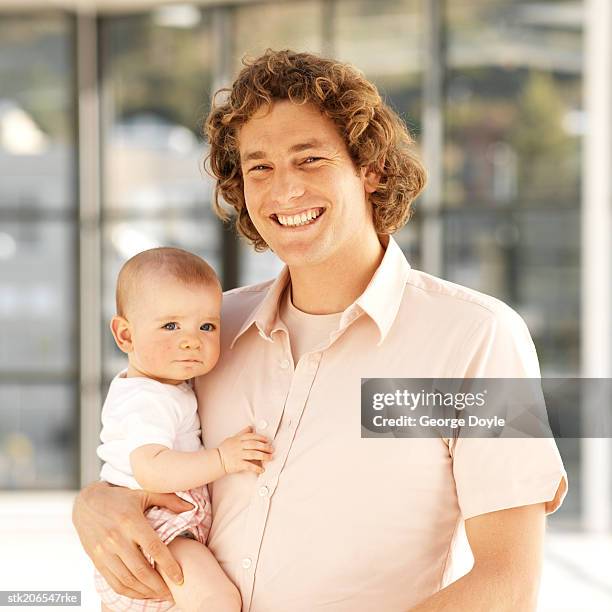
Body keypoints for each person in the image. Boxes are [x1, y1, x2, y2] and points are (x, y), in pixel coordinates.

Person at [73, 50, 568, 611]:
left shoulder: (476, 338)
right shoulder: (210, 334)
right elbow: (137, 449)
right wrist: (93, 502)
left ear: (370, 169)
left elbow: (507, 583)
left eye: (308, 160)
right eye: (259, 167)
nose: (283, 191)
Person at [94, 247, 273, 611]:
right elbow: (151, 469)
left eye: (206, 326)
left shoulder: (168, 387)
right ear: (125, 336)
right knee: (217, 601)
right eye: (170, 326)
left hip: (173, 531)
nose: (192, 340)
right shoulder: (145, 399)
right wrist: (223, 458)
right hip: (158, 532)